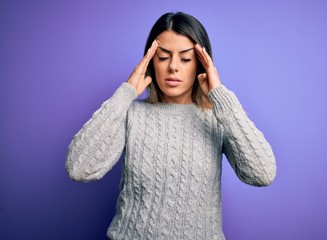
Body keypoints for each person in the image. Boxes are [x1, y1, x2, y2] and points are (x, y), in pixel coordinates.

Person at [66, 12, 276, 240]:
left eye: (186, 59)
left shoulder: (219, 117)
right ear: (150, 61)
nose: (173, 67)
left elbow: (262, 174)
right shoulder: (132, 114)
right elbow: (79, 168)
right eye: (163, 57)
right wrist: (123, 95)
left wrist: (220, 97)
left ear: (201, 64)